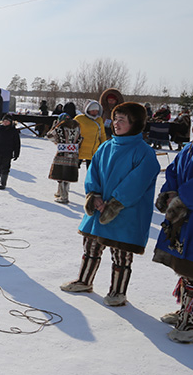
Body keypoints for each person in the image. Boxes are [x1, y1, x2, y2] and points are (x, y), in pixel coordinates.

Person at [59, 102, 160, 307]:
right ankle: (84, 280)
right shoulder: (106, 146)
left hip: (126, 214)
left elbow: (137, 182)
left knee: (121, 255)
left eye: (122, 120)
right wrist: (93, 195)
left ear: (135, 123)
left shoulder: (144, 152)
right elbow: (93, 172)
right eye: (115, 119)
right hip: (98, 208)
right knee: (91, 246)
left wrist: (115, 202)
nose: (116, 124)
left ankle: (118, 292)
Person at [151, 102, 193, 343]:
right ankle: (188, 312)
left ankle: (189, 323)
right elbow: (173, 172)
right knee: (186, 268)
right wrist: (169, 194)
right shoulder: (192, 146)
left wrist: (183, 199)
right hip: (183, 219)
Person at [47, 113, 81, 204]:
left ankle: (64, 196)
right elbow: (80, 139)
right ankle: (60, 192)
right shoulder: (77, 127)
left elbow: (50, 136)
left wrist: (57, 142)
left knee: (61, 174)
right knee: (68, 173)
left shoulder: (61, 127)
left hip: (62, 153)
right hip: (73, 153)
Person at [0, 113, 21, 190]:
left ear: (11, 122)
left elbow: (17, 143)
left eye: (7, 121)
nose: (5, 122)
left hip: (8, 152)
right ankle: (2, 177)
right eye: (4, 121)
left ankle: (3, 183)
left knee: (5, 167)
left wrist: (16, 153)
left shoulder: (14, 131)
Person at [74, 100, 107, 169]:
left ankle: (89, 180)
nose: (95, 112)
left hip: (93, 150)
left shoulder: (99, 120)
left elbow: (102, 134)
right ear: (88, 110)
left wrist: (103, 146)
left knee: (91, 171)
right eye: (92, 110)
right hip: (79, 149)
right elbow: (72, 131)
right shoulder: (79, 119)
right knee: (73, 169)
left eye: (96, 111)